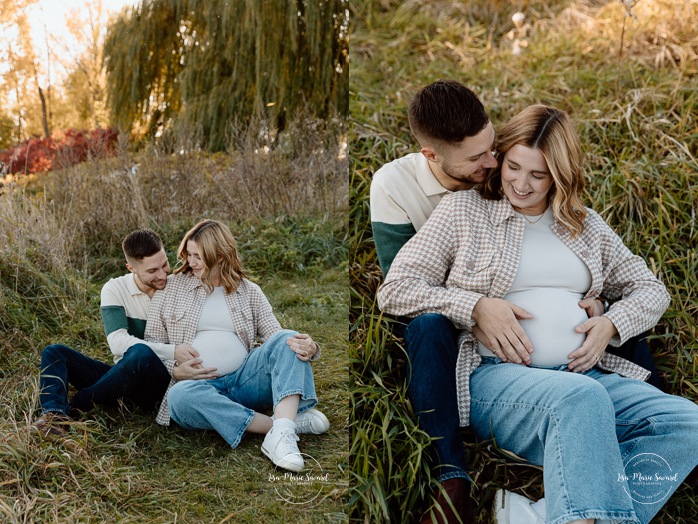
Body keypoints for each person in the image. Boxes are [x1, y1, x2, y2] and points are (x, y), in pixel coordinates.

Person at [377, 104, 698, 524]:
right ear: (501, 158)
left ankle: (548, 514)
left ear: (559, 176)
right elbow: (396, 289)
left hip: (589, 377)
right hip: (498, 377)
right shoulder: (464, 212)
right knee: (581, 400)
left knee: (687, 423)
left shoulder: (586, 226)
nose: (521, 185)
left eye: (538, 175)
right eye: (513, 167)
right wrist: (473, 305)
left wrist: (611, 324)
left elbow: (650, 290)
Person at [145, 219, 330, 472]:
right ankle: (281, 426)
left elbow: (278, 340)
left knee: (288, 336)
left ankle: (282, 435)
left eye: (198, 256)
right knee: (180, 397)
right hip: (197, 387)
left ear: (219, 256)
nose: (191, 262)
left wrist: (312, 347)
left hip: (245, 380)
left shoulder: (249, 291)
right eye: (188, 255)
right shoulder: (172, 288)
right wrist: (174, 370)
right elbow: (150, 343)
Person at [33, 229, 196, 437]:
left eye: (165, 264)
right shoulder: (115, 289)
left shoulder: (177, 287)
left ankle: (78, 404)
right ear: (131, 268)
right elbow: (117, 342)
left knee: (141, 354)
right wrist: (172, 351)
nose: (163, 275)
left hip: (160, 383)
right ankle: (54, 416)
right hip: (121, 378)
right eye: (152, 270)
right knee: (54, 352)